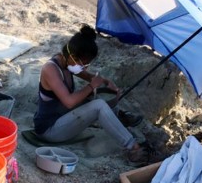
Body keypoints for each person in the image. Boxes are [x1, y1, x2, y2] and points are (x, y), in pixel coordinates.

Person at [33, 24, 149, 165]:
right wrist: (92, 85)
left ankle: (118, 117)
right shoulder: (50, 69)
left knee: (91, 95)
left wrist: (106, 82)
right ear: (73, 57)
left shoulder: (67, 61)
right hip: (49, 129)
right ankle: (133, 149)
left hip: (61, 115)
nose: (84, 68)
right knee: (98, 105)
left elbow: (88, 77)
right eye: (84, 64)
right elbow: (69, 102)